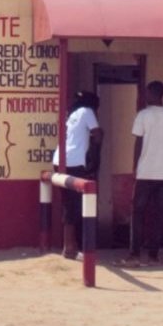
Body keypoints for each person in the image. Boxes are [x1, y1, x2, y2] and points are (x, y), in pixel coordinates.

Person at [129, 80, 163, 264]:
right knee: (160, 214)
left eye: (147, 93)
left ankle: (135, 253)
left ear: (153, 94)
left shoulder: (143, 115)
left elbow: (138, 144)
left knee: (138, 212)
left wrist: (135, 167)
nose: (145, 96)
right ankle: (153, 254)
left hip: (145, 172)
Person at [54, 91, 101, 257]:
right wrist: (95, 159)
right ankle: (70, 247)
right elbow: (97, 134)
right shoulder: (87, 111)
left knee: (68, 204)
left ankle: (69, 245)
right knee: (74, 206)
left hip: (60, 160)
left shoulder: (72, 114)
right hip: (74, 162)